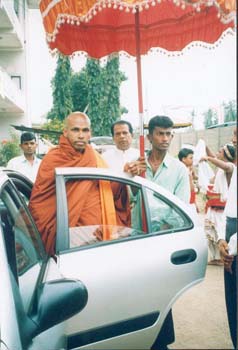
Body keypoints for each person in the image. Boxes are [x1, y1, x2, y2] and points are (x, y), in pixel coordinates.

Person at [28, 112, 132, 256]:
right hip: (69, 238)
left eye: (85, 130)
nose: (81, 135)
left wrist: (124, 176)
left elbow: (109, 188)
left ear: (90, 133)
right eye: (75, 130)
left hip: (97, 235)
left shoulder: (94, 157)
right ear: (65, 132)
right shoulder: (53, 159)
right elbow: (41, 203)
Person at [145, 115, 190, 350]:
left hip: (163, 243)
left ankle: (160, 344)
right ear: (150, 135)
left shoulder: (179, 170)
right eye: (160, 133)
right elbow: (125, 198)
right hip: (133, 241)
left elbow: (181, 208)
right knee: (134, 291)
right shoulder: (136, 165)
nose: (165, 138)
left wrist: (158, 233)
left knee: (160, 294)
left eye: (168, 134)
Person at [217, 128, 237, 349]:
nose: (233, 140)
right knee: (233, 306)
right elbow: (229, 212)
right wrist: (223, 241)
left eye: (237, 135)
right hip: (231, 242)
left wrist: (231, 247)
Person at [201, 143, 236, 265]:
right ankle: (217, 258)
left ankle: (226, 257)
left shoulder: (230, 167)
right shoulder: (219, 169)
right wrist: (205, 146)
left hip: (224, 209)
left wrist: (209, 158)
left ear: (226, 154)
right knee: (213, 234)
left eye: (220, 151)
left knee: (222, 234)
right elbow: (214, 158)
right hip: (214, 206)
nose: (217, 153)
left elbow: (224, 165)